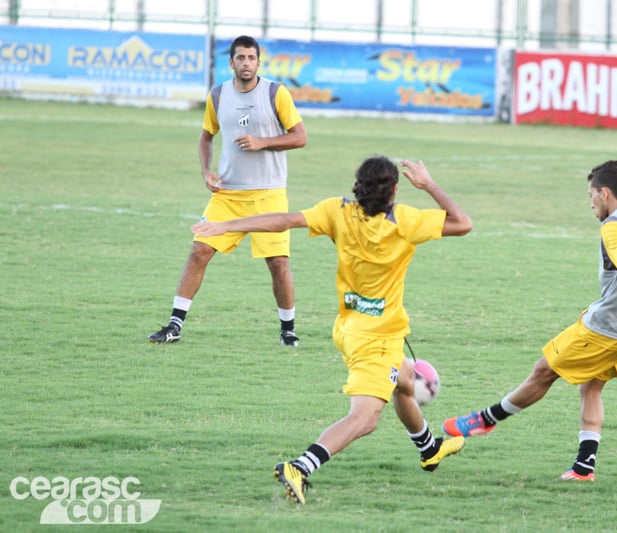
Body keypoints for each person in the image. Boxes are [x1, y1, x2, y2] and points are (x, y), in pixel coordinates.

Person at [192, 156, 471, 504]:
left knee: (405, 381)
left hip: (348, 326)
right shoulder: (406, 221)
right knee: (365, 418)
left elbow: (284, 220)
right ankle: (300, 467)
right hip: (375, 339)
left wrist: (228, 225)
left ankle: (429, 449)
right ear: (395, 190)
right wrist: (429, 184)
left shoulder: (337, 211)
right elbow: (463, 223)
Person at [442, 160, 617, 482]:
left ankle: (486, 419)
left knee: (543, 371)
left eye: (591, 195)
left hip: (611, 328)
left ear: (605, 193)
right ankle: (583, 469)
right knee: (592, 385)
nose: (590, 203)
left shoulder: (614, 226)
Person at [148, 35, 307, 346]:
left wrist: (263, 142)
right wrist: (206, 171)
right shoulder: (218, 94)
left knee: (278, 262)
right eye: (240, 58)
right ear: (231, 62)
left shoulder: (276, 93)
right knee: (199, 251)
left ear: (259, 62)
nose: (246, 63)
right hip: (229, 196)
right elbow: (206, 136)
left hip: (269, 194)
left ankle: (288, 329)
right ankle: (174, 325)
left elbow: (299, 137)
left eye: (251, 58)